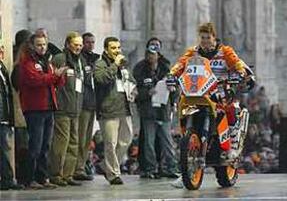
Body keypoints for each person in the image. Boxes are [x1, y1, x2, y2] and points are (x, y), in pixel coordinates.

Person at [170, 22, 251, 154]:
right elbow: (180, 64)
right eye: (202, 38)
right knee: (183, 106)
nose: (205, 41)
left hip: (219, 91)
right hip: (196, 91)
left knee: (230, 109)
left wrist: (240, 73)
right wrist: (172, 75)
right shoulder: (193, 52)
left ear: (214, 37)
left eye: (208, 37)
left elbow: (237, 64)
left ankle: (233, 140)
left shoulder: (225, 51)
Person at [18, 32, 66, 190]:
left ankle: (43, 177)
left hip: (49, 107)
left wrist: (59, 76)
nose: (42, 47)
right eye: (39, 44)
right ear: (32, 45)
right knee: (35, 146)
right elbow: (35, 80)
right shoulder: (27, 62)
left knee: (46, 146)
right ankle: (29, 179)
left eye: (44, 44)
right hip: (35, 109)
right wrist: (53, 76)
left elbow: (55, 82)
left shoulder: (47, 61)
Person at [94, 36, 136, 185]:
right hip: (108, 110)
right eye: (113, 48)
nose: (117, 50)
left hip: (124, 108)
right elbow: (101, 79)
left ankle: (107, 166)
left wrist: (133, 89)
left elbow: (131, 80)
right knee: (110, 143)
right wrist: (115, 65)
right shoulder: (100, 64)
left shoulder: (123, 66)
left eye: (118, 48)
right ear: (106, 49)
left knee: (126, 140)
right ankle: (113, 174)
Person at [134, 44, 178, 179]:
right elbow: (135, 92)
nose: (151, 57)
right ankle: (150, 168)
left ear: (158, 55)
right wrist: (148, 92)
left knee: (167, 142)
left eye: (153, 54)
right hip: (148, 112)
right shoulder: (140, 70)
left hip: (163, 111)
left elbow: (175, 87)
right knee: (149, 142)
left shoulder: (166, 70)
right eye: (148, 54)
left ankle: (170, 167)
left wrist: (173, 93)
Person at [49, 32, 84, 187]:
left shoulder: (79, 61)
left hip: (75, 109)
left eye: (80, 45)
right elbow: (52, 81)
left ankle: (68, 174)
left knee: (73, 143)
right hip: (62, 108)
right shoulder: (60, 59)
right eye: (75, 44)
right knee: (61, 143)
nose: (78, 47)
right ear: (68, 44)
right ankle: (56, 174)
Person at [74, 32, 100, 181]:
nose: (90, 45)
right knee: (80, 136)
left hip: (92, 103)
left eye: (92, 42)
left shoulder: (96, 59)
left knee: (87, 138)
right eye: (88, 42)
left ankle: (82, 165)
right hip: (82, 102)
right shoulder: (80, 59)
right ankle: (77, 167)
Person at [0, 38, 24, 191]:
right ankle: (7, 179)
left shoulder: (3, 68)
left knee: (6, 149)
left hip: (4, 115)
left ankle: (8, 179)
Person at [11, 29, 31, 186]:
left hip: (24, 110)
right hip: (20, 111)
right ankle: (23, 177)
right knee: (22, 147)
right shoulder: (19, 64)